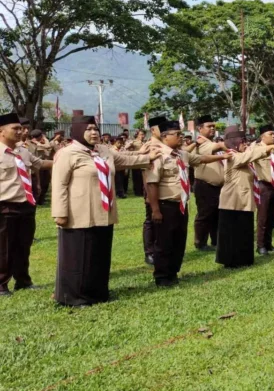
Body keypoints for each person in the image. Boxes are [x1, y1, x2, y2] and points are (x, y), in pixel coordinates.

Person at [52, 116, 158, 306]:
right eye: (89, 129)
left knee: (99, 253)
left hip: (103, 211)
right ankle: (74, 296)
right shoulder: (68, 153)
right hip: (78, 213)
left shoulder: (103, 151)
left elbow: (125, 160)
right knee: (78, 256)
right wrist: (60, 212)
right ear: (77, 131)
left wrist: (149, 158)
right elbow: (59, 184)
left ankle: (98, 292)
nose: (94, 133)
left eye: (96, 129)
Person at [145, 120, 230, 286]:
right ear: (164, 136)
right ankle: (162, 276)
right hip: (165, 204)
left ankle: (173, 272)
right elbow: (152, 183)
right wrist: (155, 209)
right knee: (164, 242)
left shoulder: (182, 154)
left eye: (181, 134)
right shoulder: (158, 155)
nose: (181, 138)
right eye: (177, 135)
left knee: (179, 240)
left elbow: (200, 158)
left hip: (181, 204)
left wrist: (223, 156)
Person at [0, 113, 53, 296]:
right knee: (4, 248)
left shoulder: (22, 151)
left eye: (20, 128)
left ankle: (23, 280)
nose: (20, 131)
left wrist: (64, 159)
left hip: (26, 204)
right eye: (15, 128)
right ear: (1, 131)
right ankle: (1, 284)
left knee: (24, 245)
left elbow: (40, 163)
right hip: (5, 206)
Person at [215, 126, 274, 268]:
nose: (246, 145)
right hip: (232, 201)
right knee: (232, 232)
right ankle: (231, 260)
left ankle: (243, 258)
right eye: (243, 142)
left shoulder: (239, 155)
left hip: (243, 200)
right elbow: (248, 156)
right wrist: (268, 148)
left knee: (243, 231)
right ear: (235, 142)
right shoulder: (232, 155)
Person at [193, 115, 226, 251]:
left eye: (214, 126)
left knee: (216, 214)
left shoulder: (208, 141)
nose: (213, 128)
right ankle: (200, 242)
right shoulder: (201, 142)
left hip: (216, 186)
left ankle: (215, 240)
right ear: (200, 129)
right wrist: (229, 144)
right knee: (205, 214)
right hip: (205, 184)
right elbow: (216, 146)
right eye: (209, 126)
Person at [253, 125, 274, 255]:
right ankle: (260, 245)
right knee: (263, 217)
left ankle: (268, 243)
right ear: (262, 136)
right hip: (263, 185)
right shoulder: (256, 148)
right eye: (271, 134)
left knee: (271, 217)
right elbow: (252, 155)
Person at [141, 116, 166, 265]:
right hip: (151, 187)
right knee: (151, 220)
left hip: (164, 188)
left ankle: (160, 248)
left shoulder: (166, 144)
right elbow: (146, 172)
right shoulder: (150, 146)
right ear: (152, 130)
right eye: (161, 128)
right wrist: (148, 194)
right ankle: (149, 252)